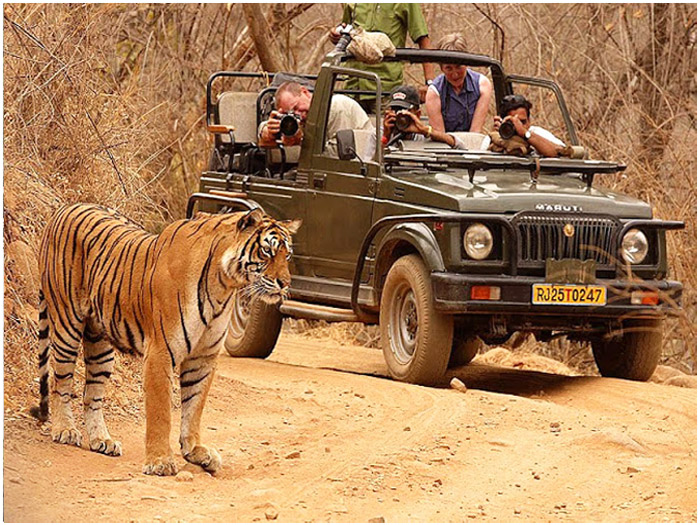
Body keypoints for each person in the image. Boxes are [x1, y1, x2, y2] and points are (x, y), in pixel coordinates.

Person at [329, 3, 435, 110]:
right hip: (352, 84)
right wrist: (336, 34)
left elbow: (423, 39)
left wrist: (429, 83)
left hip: (384, 87)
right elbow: (346, 32)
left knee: (385, 124)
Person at [258, 81, 374, 155]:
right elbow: (266, 128)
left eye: (297, 106)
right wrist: (267, 131)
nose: (299, 114)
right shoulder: (300, 119)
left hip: (357, 169)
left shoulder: (336, 106)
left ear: (305, 92)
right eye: (292, 113)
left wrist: (301, 140)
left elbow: (338, 156)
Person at [426, 33, 493, 134]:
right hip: (445, 145)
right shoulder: (434, 92)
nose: (455, 74)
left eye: (459, 67)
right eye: (449, 68)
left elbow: (475, 131)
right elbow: (439, 135)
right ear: (441, 68)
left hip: (472, 142)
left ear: (466, 63)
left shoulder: (482, 85)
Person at [382, 85, 466, 149]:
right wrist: (385, 137)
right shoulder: (378, 134)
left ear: (417, 114)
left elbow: (460, 147)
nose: (399, 115)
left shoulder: (425, 136)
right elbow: (371, 166)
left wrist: (426, 131)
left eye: (405, 111)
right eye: (395, 110)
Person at [493, 94, 565, 157]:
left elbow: (561, 153)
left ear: (529, 121)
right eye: (513, 122)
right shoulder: (496, 137)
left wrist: (525, 134)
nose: (518, 126)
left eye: (522, 122)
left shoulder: (536, 133)